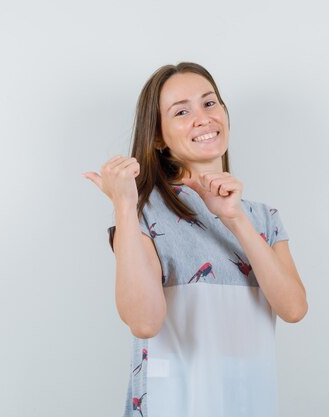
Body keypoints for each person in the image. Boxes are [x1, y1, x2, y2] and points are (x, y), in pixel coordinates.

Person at [83, 62, 308, 417]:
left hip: (246, 401)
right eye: (182, 111)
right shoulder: (145, 214)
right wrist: (125, 207)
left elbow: (293, 309)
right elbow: (144, 322)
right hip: (171, 403)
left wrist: (236, 220)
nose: (202, 118)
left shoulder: (264, 218)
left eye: (209, 103)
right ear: (158, 137)